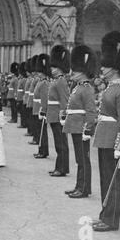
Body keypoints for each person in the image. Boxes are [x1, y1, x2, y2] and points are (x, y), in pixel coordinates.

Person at [91, 31, 120, 232]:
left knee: (112, 180)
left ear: (115, 67)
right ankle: (105, 214)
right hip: (104, 137)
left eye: (106, 65)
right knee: (105, 178)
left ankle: (112, 219)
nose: (102, 68)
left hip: (112, 141)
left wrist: (119, 144)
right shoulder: (111, 87)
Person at [63, 45, 97, 199]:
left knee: (84, 159)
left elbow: (91, 112)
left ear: (83, 72)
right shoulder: (78, 87)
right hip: (75, 126)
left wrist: (87, 129)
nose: (72, 73)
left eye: (75, 71)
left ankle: (84, 189)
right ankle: (79, 186)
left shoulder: (87, 88)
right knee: (79, 159)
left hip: (81, 128)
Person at [47, 45, 70, 177]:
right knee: (58, 143)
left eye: (54, 67)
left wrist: (63, 116)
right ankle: (60, 166)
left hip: (58, 115)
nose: (52, 69)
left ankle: (61, 168)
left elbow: (64, 100)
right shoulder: (57, 80)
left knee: (61, 143)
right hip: (53, 114)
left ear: (60, 68)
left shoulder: (61, 81)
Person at [32, 54, 50, 159]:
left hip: (40, 109)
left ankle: (43, 151)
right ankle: (41, 150)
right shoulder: (40, 82)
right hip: (36, 108)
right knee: (39, 131)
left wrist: (43, 111)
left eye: (39, 72)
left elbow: (44, 99)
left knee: (42, 131)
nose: (38, 73)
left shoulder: (44, 83)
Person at [17, 62, 27, 129]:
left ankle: (23, 124)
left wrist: (23, 97)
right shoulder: (21, 80)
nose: (19, 75)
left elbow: (24, 89)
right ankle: (22, 123)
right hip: (20, 97)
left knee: (23, 112)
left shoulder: (23, 80)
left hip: (22, 98)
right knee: (21, 111)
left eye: (20, 74)